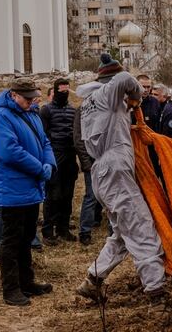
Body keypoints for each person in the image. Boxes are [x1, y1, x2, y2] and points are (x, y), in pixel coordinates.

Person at [75, 59, 166, 307]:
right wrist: (136, 98)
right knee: (141, 227)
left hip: (104, 171)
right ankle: (156, 291)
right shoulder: (107, 92)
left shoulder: (90, 102)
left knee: (121, 233)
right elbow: (126, 78)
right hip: (114, 168)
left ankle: (93, 279)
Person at [0, 78, 56, 307]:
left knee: (27, 237)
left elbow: (45, 142)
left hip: (31, 187)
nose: (31, 101)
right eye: (27, 98)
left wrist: (49, 164)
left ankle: (27, 282)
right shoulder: (1, 118)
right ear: (14, 95)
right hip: (13, 188)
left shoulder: (32, 114)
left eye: (33, 97)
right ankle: (11, 288)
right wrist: (40, 169)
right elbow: (10, 152)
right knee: (11, 240)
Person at [40, 78, 78, 244]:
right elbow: (43, 135)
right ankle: (48, 231)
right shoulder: (46, 110)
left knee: (67, 195)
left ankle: (63, 228)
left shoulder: (72, 110)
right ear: (55, 91)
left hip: (70, 155)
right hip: (54, 155)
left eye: (67, 91)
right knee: (53, 195)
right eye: (61, 91)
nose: (65, 94)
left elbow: (76, 133)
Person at [72, 105, 98, 245]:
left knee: (113, 196)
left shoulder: (112, 107)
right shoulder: (83, 109)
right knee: (91, 196)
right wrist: (87, 163)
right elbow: (78, 138)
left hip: (109, 160)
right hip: (92, 161)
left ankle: (115, 232)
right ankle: (85, 232)